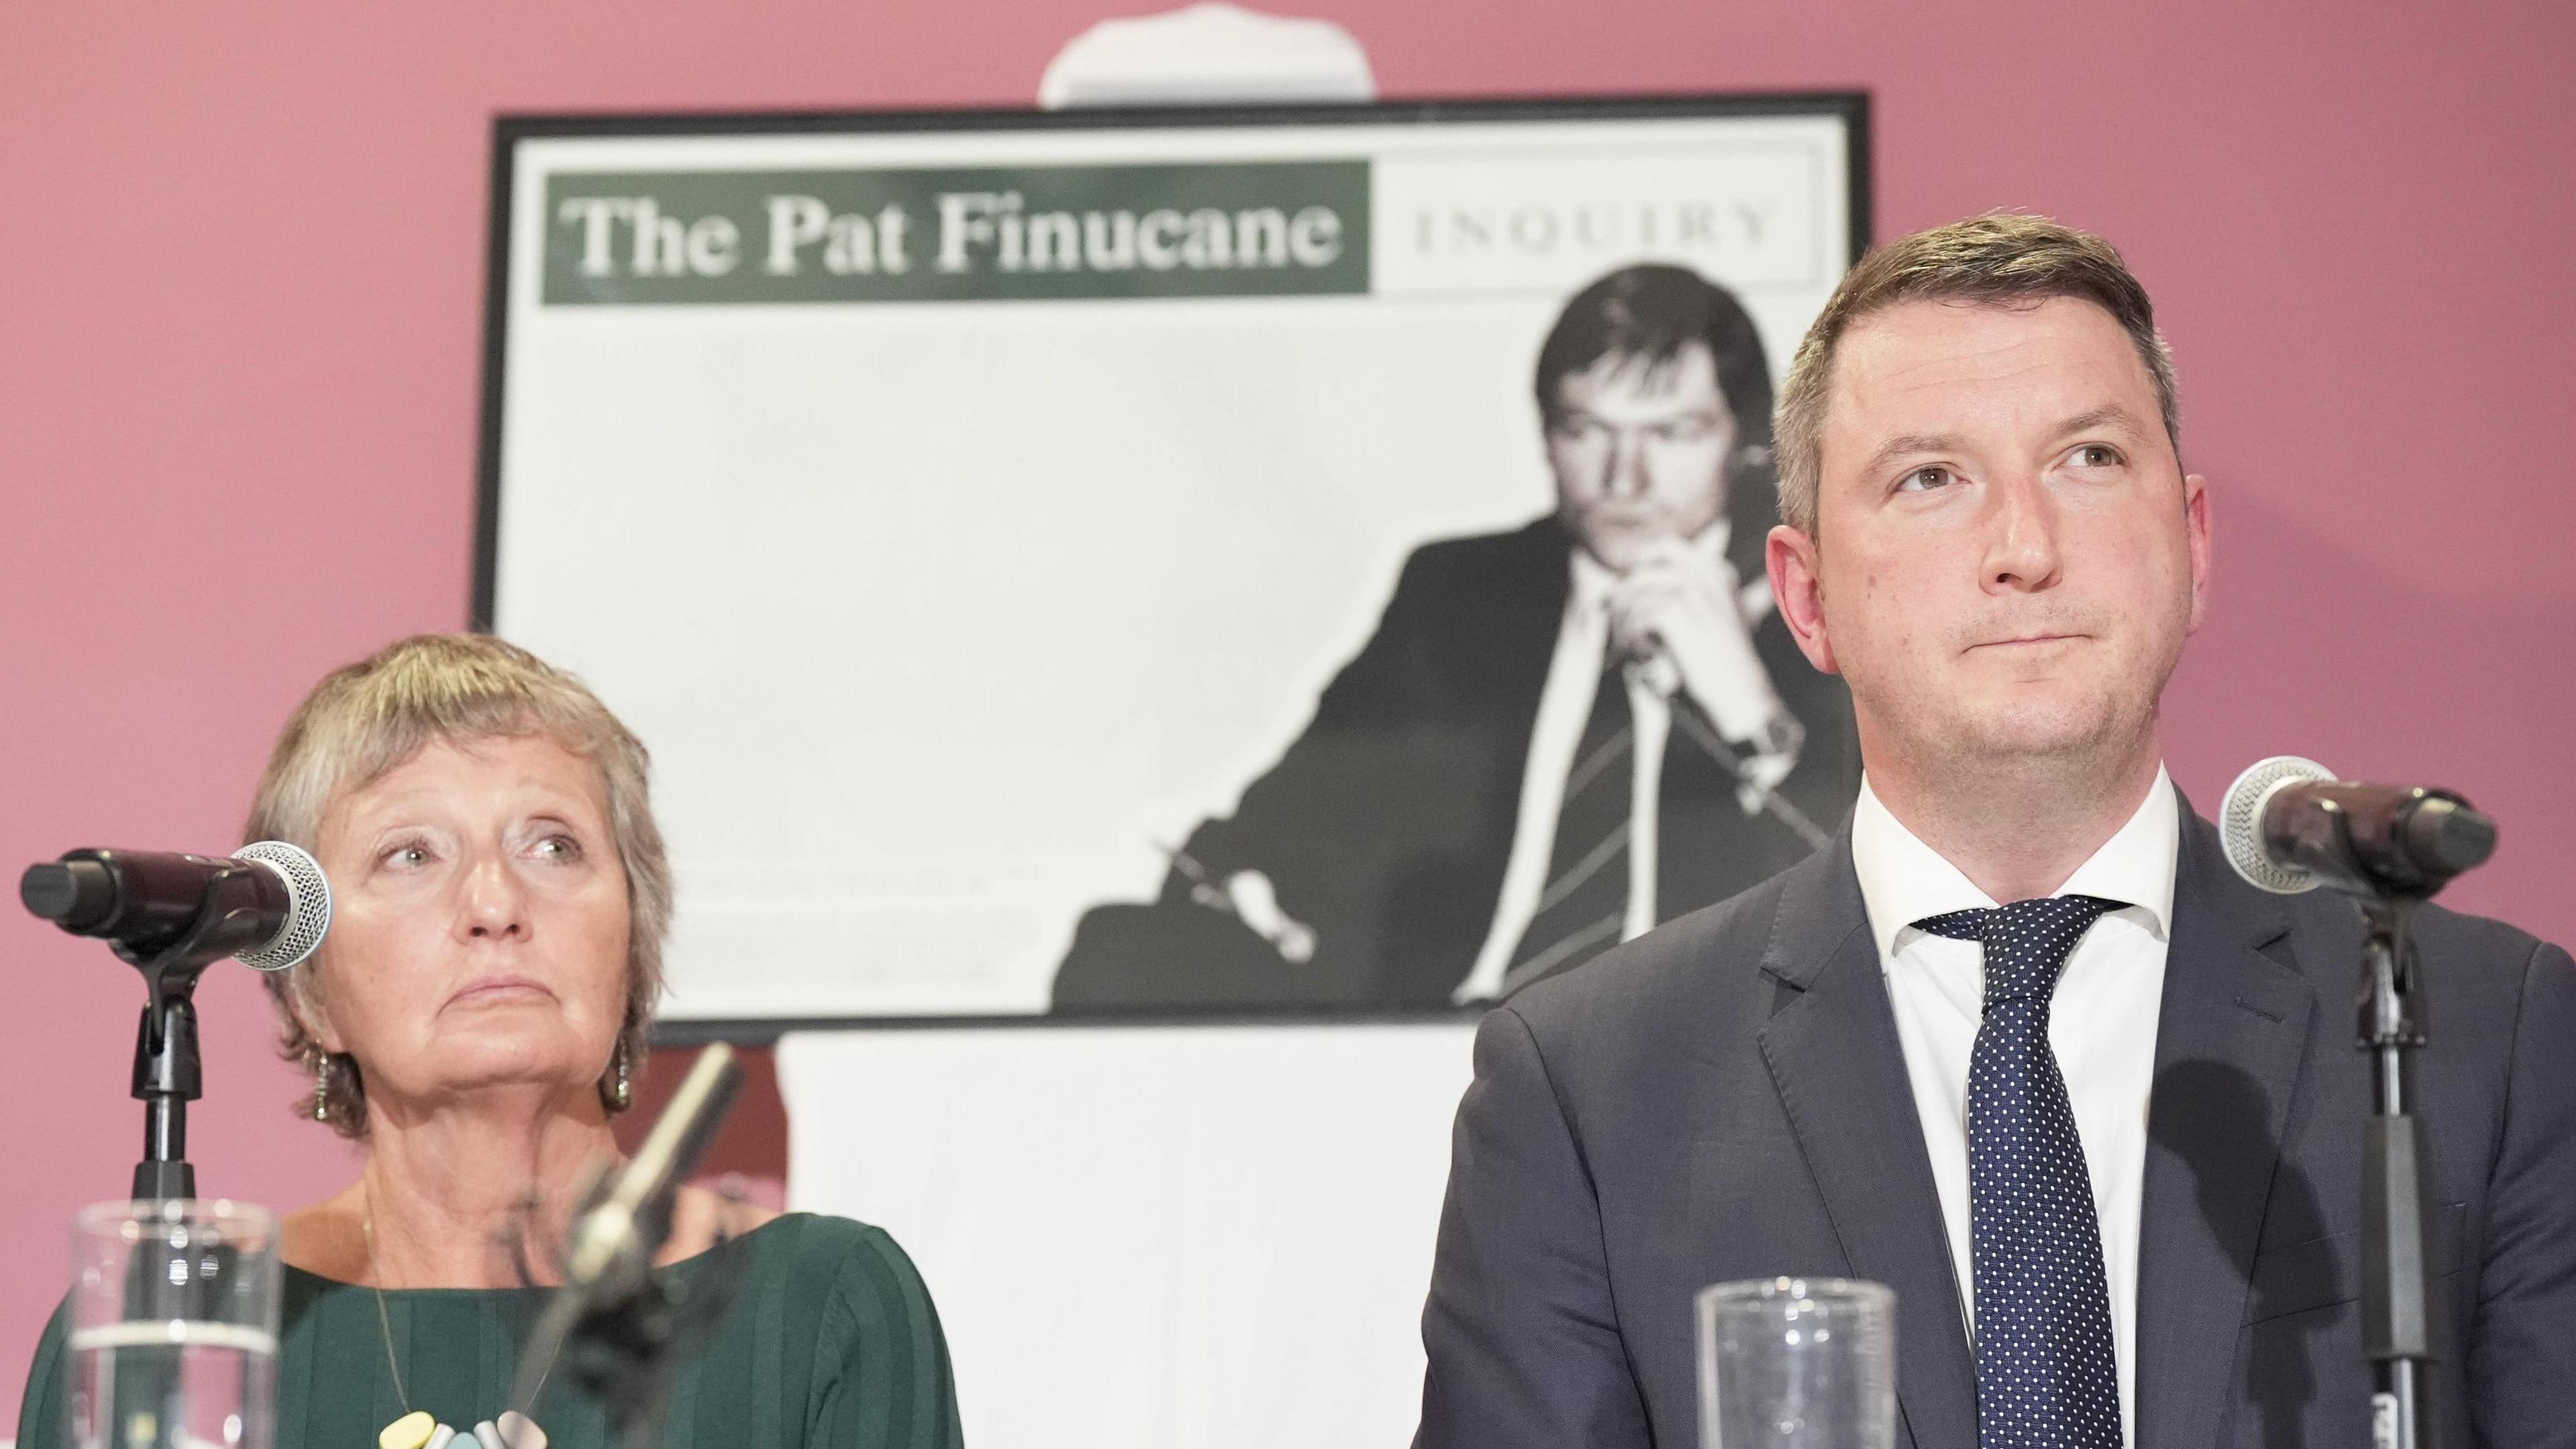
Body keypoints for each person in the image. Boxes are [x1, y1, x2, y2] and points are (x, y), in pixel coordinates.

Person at [1413, 215, 2576, 1448]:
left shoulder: (2480, 1041)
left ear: (2191, 546)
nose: (2025, 548)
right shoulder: (1592, 1093)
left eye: (2085, 459)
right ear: (1807, 599)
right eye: (1931, 479)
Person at [17, 634, 964, 1449]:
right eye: (412, 854)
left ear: (632, 949)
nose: (495, 905)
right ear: (307, 988)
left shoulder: (821, 1304)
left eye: (552, 846)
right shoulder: (163, 1335)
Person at [1053, 263, 1857, 1012]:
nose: (1625, 477)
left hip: (1686, 1051)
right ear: (1547, 438)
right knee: (1116, 950)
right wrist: (1238, 880)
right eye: (1588, 431)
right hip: (1452, 1042)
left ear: (1749, 445)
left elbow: (1874, 916)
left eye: (1672, 434)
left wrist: (1754, 718)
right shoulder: (1464, 593)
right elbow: (1292, 810)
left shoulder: (1820, 598)